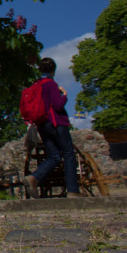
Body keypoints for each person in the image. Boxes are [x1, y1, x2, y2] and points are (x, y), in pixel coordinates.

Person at [24, 57, 81, 198]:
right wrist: (65, 95)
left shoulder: (36, 85)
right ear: (53, 70)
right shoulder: (51, 84)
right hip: (56, 123)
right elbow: (57, 105)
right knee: (68, 154)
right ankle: (73, 190)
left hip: (42, 125)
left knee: (54, 156)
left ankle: (34, 177)